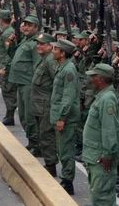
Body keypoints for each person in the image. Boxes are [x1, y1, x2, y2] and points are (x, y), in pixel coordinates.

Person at [83, 63, 119, 206]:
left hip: (101, 157)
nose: (91, 80)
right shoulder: (102, 97)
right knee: (97, 196)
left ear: (101, 79)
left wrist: (108, 154)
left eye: (94, 76)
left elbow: (109, 130)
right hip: (95, 155)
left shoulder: (107, 99)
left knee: (102, 197)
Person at [50, 39, 80, 195]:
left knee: (66, 150)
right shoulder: (62, 67)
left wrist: (62, 118)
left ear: (62, 54)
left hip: (66, 119)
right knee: (62, 150)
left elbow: (68, 96)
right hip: (60, 117)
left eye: (56, 49)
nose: (53, 50)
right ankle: (66, 178)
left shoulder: (69, 70)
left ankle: (68, 182)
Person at [8, 15, 41, 154]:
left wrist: (35, 85)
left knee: (29, 116)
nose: (26, 27)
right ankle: (31, 142)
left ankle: (37, 145)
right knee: (22, 115)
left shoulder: (35, 44)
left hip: (29, 83)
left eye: (30, 25)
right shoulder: (25, 41)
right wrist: (11, 45)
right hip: (20, 82)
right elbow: (14, 56)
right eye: (25, 24)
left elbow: (37, 65)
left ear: (36, 28)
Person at [31, 33, 58, 176]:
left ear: (50, 46)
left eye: (42, 44)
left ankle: (51, 165)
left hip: (46, 105)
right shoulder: (43, 60)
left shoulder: (50, 61)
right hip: (39, 105)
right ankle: (49, 163)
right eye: (38, 44)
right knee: (43, 135)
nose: (39, 46)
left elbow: (57, 82)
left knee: (47, 135)